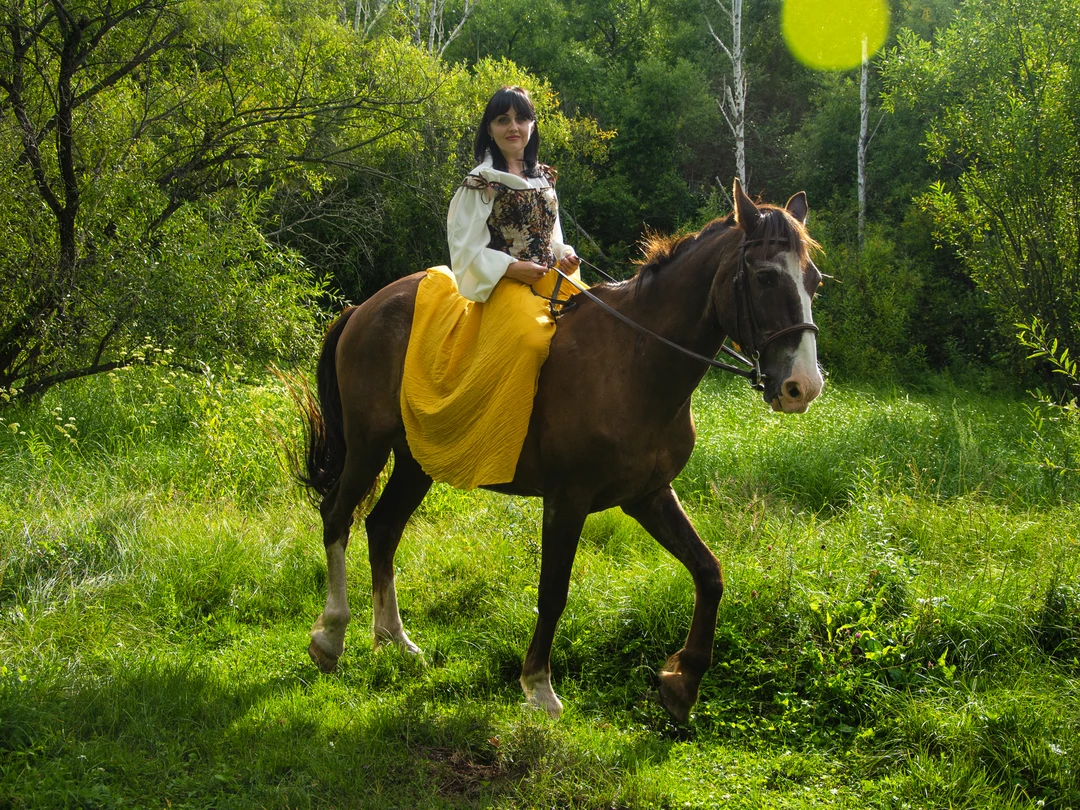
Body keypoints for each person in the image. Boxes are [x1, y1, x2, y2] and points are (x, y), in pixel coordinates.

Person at [400, 86, 586, 490]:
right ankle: (504, 435)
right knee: (530, 341)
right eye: (503, 120)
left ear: (533, 125)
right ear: (490, 129)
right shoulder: (480, 183)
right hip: (505, 284)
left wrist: (565, 255)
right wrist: (510, 268)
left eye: (521, 119)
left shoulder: (543, 177)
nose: (513, 128)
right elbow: (464, 250)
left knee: (596, 325)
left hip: (552, 279)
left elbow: (552, 235)